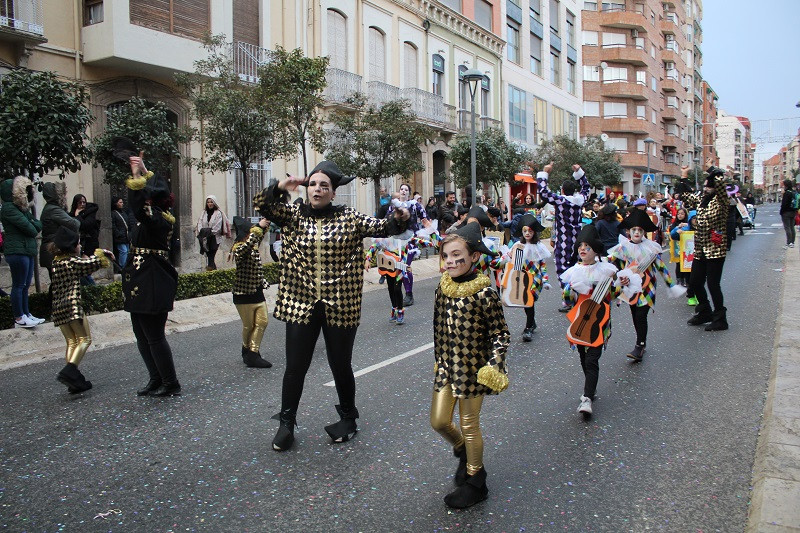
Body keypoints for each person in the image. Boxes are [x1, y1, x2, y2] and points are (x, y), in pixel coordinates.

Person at [253, 160, 410, 452]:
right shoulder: (292, 214)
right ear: (307, 188)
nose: (317, 189)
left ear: (333, 192)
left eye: (324, 185)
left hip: (341, 304)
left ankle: (348, 418)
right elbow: (261, 204)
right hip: (300, 303)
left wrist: (400, 216)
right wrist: (281, 186)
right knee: (295, 367)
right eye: (313, 183)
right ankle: (286, 423)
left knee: (340, 365)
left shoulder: (349, 217)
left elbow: (384, 226)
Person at [430, 222, 510, 509]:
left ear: (474, 256)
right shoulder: (443, 287)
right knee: (439, 421)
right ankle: (464, 451)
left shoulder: (484, 294)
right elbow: (438, 328)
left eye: (456, 255)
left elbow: (501, 334)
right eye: (446, 256)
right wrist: (439, 359)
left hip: (473, 370)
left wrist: (493, 365)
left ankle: (477, 481)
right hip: (446, 368)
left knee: (469, 425)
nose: (450, 261)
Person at [124, 154, 182, 397]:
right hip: (140, 280)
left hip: (153, 281)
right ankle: (155, 378)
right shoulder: (153, 214)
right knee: (141, 334)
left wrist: (137, 176)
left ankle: (171, 383)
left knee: (154, 336)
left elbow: (140, 208)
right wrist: (145, 170)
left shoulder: (158, 218)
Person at [560, 225, 620, 416]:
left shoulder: (606, 270)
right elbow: (568, 300)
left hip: (600, 320)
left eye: (587, 246)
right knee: (583, 357)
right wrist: (571, 288)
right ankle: (590, 388)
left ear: (595, 249)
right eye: (580, 245)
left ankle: (586, 398)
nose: (582, 249)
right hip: (580, 320)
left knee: (593, 358)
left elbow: (613, 295)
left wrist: (620, 285)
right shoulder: (573, 271)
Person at [607, 210, 682, 362]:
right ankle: (641, 341)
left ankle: (639, 345)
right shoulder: (623, 247)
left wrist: (671, 284)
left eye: (640, 230)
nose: (636, 232)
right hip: (629, 286)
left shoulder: (651, 248)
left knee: (641, 314)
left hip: (648, 286)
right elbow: (612, 262)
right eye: (634, 230)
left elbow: (661, 267)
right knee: (635, 314)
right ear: (629, 231)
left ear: (644, 232)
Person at [49, 225, 113, 393]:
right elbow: (91, 264)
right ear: (71, 246)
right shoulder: (71, 262)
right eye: (78, 244)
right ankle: (70, 371)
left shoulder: (56, 262)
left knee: (71, 341)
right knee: (85, 339)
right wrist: (103, 254)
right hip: (72, 306)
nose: (80, 246)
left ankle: (73, 377)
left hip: (58, 307)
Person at [534, 161, 590, 312]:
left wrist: (545, 172)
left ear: (563, 190)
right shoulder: (580, 201)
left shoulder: (561, 201)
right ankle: (579, 296)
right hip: (578, 240)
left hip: (564, 239)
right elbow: (586, 189)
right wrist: (579, 173)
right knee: (578, 268)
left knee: (563, 270)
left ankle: (568, 300)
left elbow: (543, 192)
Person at [681, 163, 730, 331]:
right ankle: (705, 311)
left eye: (708, 186)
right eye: (704, 186)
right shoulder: (702, 199)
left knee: (713, 284)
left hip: (715, 249)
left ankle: (720, 318)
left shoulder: (721, 200)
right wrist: (684, 176)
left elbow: (721, 184)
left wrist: (712, 171)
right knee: (694, 282)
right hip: (700, 249)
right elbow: (685, 196)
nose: (705, 189)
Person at [496, 213, 550, 341]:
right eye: (524, 231)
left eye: (530, 231)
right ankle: (532, 322)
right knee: (526, 302)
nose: (527, 233)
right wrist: (501, 260)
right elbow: (512, 261)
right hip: (521, 278)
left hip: (535, 278)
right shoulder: (517, 246)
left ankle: (528, 328)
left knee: (529, 300)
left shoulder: (539, 247)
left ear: (534, 232)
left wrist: (545, 280)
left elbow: (543, 265)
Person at [0, 176, 44, 328]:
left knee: (25, 285)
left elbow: (38, 224)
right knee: (19, 285)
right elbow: (31, 229)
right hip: (17, 251)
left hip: (26, 249)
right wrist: (32, 224)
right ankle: (19, 318)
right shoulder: (8, 208)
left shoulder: (20, 208)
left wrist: (33, 224)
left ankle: (26, 314)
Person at [230, 216, 272, 369]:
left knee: (262, 322)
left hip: (257, 290)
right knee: (248, 326)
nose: (252, 234)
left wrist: (266, 221)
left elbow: (258, 237)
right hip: (243, 293)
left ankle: (252, 352)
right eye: (250, 232)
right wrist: (258, 228)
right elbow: (250, 244)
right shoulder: (238, 248)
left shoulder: (252, 244)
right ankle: (247, 352)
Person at [386, 182, 428, 306]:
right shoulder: (393, 207)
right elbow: (387, 221)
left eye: (406, 189)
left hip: (410, 241)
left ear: (409, 193)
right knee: (398, 266)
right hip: (396, 241)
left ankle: (409, 294)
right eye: (401, 189)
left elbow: (425, 219)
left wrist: (430, 233)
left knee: (404, 265)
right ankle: (398, 294)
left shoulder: (415, 205)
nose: (403, 191)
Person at [40, 181, 80, 281]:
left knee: (57, 283)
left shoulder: (51, 208)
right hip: (54, 249)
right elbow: (74, 224)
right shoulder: (53, 210)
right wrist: (77, 217)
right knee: (59, 283)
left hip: (52, 249)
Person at [195, 194, 231, 270]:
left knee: (211, 255)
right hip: (205, 238)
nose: (210, 204)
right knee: (209, 257)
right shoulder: (204, 213)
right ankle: (213, 273)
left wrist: (209, 232)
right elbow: (200, 223)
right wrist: (202, 232)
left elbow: (217, 227)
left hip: (214, 238)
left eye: (211, 202)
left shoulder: (218, 213)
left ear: (214, 203)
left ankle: (211, 273)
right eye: (208, 202)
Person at [669, 207, 691, 287]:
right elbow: (671, 233)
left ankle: (686, 279)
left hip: (686, 246)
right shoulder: (675, 224)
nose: (680, 215)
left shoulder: (688, 223)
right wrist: (677, 227)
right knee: (678, 264)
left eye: (682, 214)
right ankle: (679, 279)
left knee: (686, 263)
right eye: (678, 214)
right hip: (677, 246)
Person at [111, 196, 132, 270]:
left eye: (122, 202)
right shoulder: (113, 213)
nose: (122, 204)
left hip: (126, 236)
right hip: (120, 237)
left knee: (127, 251)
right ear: (116, 203)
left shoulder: (124, 213)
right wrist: (118, 233)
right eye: (120, 202)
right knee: (123, 251)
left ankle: (126, 266)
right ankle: (122, 267)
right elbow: (113, 225)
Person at [779, 179, 797, 249]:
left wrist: (781, 212)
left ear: (786, 185)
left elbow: (784, 204)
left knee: (787, 227)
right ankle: (792, 242)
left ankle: (788, 242)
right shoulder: (794, 192)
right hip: (793, 212)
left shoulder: (787, 193)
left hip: (786, 212)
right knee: (792, 227)